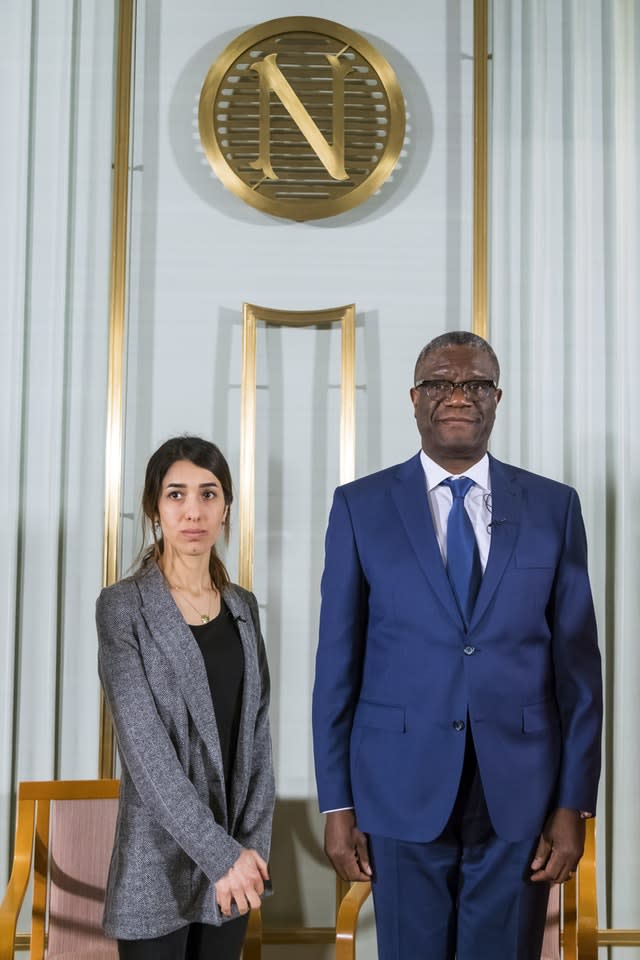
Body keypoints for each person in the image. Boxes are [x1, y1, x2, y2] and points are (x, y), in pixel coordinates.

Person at [312, 332, 602, 960]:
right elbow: (337, 666)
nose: (457, 395)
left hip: (521, 795)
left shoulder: (555, 507)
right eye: (441, 382)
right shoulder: (360, 507)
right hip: (396, 790)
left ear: (497, 398)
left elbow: (579, 674)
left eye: (474, 384)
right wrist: (336, 801)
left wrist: (573, 805)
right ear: (415, 399)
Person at [97, 436, 275, 960]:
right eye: (176, 495)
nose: (192, 511)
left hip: (234, 874)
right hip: (158, 869)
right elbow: (146, 756)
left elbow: (257, 744)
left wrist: (251, 855)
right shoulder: (122, 607)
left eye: (208, 493)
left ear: (226, 508)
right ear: (155, 507)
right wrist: (224, 857)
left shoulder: (243, 607)